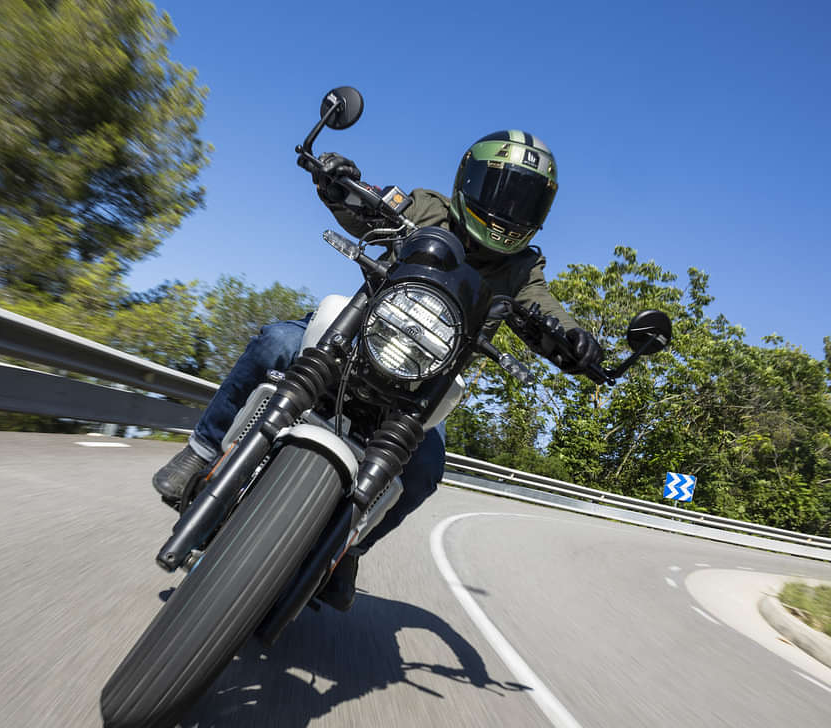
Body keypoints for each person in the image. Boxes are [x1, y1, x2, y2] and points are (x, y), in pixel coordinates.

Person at [151, 131, 603, 610]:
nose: (507, 208)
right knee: (277, 342)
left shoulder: (522, 268)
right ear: (468, 180)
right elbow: (374, 205)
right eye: (499, 189)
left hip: (421, 383)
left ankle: (348, 548)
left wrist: (575, 341)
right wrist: (340, 184)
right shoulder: (430, 210)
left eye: (524, 199)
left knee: (427, 468)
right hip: (358, 338)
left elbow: (545, 308)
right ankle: (201, 451)